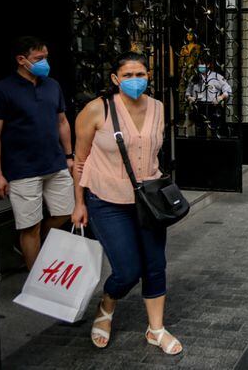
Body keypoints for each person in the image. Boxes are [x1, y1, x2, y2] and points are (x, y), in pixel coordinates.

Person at [71, 52, 182, 355]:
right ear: (115, 79)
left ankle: (155, 329)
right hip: (106, 200)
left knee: (156, 264)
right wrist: (79, 203)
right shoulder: (96, 110)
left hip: (149, 201)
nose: (136, 81)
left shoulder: (159, 107)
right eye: (129, 75)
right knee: (128, 270)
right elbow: (79, 162)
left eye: (141, 74)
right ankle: (106, 305)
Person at [0, 36, 74, 271]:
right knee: (30, 226)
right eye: (39, 59)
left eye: (46, 57)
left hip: (56, 164)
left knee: (65, 213)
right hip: (22, 169)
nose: (45, 63)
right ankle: (36, 280)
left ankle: (42, 251)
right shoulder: (2, 89)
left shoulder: (52, 85)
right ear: (21, 60)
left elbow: (62, 122)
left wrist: (68, 157)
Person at [185, 59, 232, 137]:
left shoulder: (216, 76)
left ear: (208, 65)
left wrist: (220, 97)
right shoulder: (194, 78)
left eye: (202, 64)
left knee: (214, 130)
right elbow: (187, 92)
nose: (200, 66)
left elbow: (228, 90)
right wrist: (190, 98)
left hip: (212, 106)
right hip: (198, 107)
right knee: (200, 131)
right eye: (198, 64)